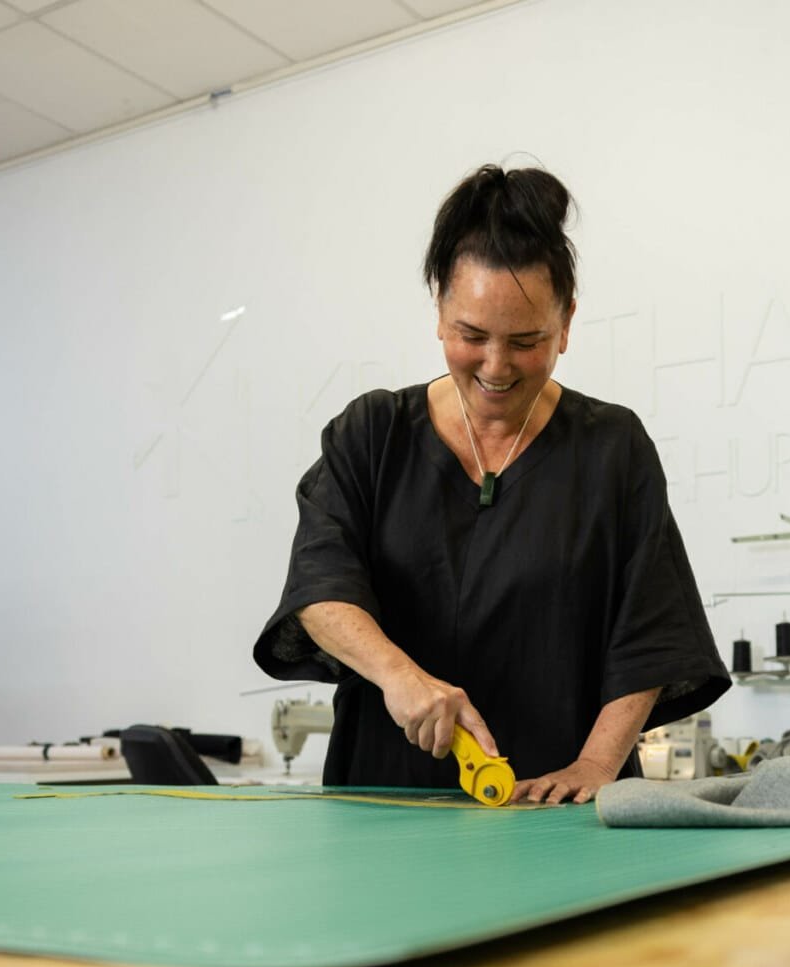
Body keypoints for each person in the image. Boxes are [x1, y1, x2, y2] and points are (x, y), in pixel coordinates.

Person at [251, 165, 729, 804]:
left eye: (527, 341)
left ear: (566, 324)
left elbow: (653, 627)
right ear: (440, 312)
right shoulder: (372, 434)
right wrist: (401, 675)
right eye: (472, 335)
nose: (496, 366)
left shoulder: (613, 448)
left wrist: (596, 766)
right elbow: (318, 587)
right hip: (385, 802)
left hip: (557, 809)